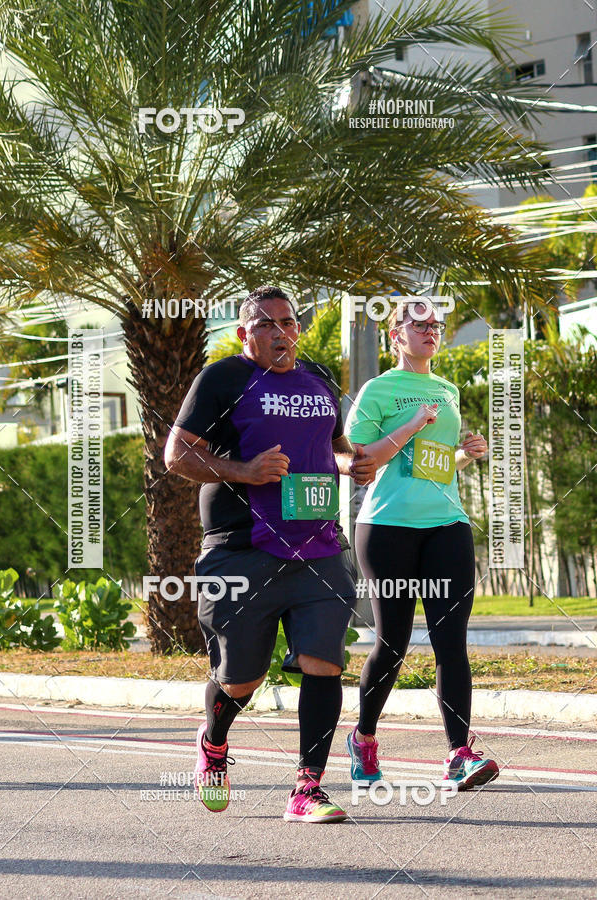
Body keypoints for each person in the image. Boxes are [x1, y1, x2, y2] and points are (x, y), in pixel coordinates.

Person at [164, 285, 377, 822]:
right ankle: (214, 741)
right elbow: (177, 454)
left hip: (318, 545)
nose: (281, 332)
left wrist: (352, 466)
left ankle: (307, 788)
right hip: (242, 549)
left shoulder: (319, 378)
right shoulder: (222, 378)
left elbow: (334, 448)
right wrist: (244, 471)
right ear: (244, 333)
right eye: (266, 324)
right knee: (242, 679)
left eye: (288, 322)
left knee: (323, 662)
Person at [344, 299, 499, 791]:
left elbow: (432, 463)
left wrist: (465, 454)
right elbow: (360, 459)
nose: (431, 331)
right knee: (392, 643)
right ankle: (364, 738)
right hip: (386, 527)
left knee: (451, 642)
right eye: (420, 325)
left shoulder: (447, 390)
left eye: (437, 325)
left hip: (447, 523)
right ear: (396, 335)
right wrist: (411, 425)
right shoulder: (378, 390)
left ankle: (459, 754)